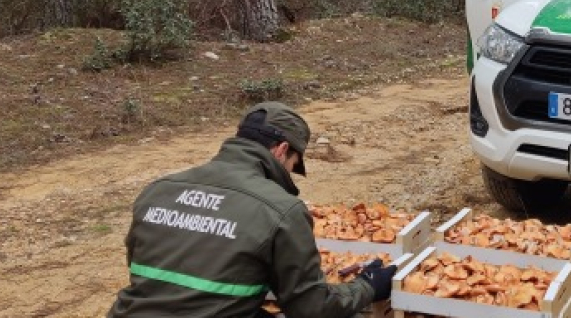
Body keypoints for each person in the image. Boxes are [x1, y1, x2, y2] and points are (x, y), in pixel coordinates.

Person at [108, 102, 397, 318]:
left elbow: (159, 272)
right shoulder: (281, 209)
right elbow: (310, 307)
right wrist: (368, 286)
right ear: (282, 150)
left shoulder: (159, 189)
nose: (291, 173)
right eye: (294, 165)